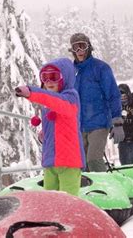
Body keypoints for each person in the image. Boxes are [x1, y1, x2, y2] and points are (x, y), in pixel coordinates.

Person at [15, 58, 85, 196]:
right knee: (50, 200)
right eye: (44, 77)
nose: (48, 82)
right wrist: (45, 135)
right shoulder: (48, 105)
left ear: (65, 78)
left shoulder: (70, 97)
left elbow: (56, 101)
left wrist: (31, 92)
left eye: (53, 76)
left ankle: (69, 217)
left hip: (69, 162)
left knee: (68, 200)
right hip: (51, 161)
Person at [70, 33, 124, 172]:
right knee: (81, 163)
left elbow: (113, 94)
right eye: (76, 47)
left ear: (89, 48)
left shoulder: (100, 68)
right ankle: (84, 191)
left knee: (93, 159)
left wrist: (117, 121)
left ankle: (105, 188)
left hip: (99, 122)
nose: (80, 51)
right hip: (79, 126)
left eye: (83, 46)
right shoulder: (71, 71)